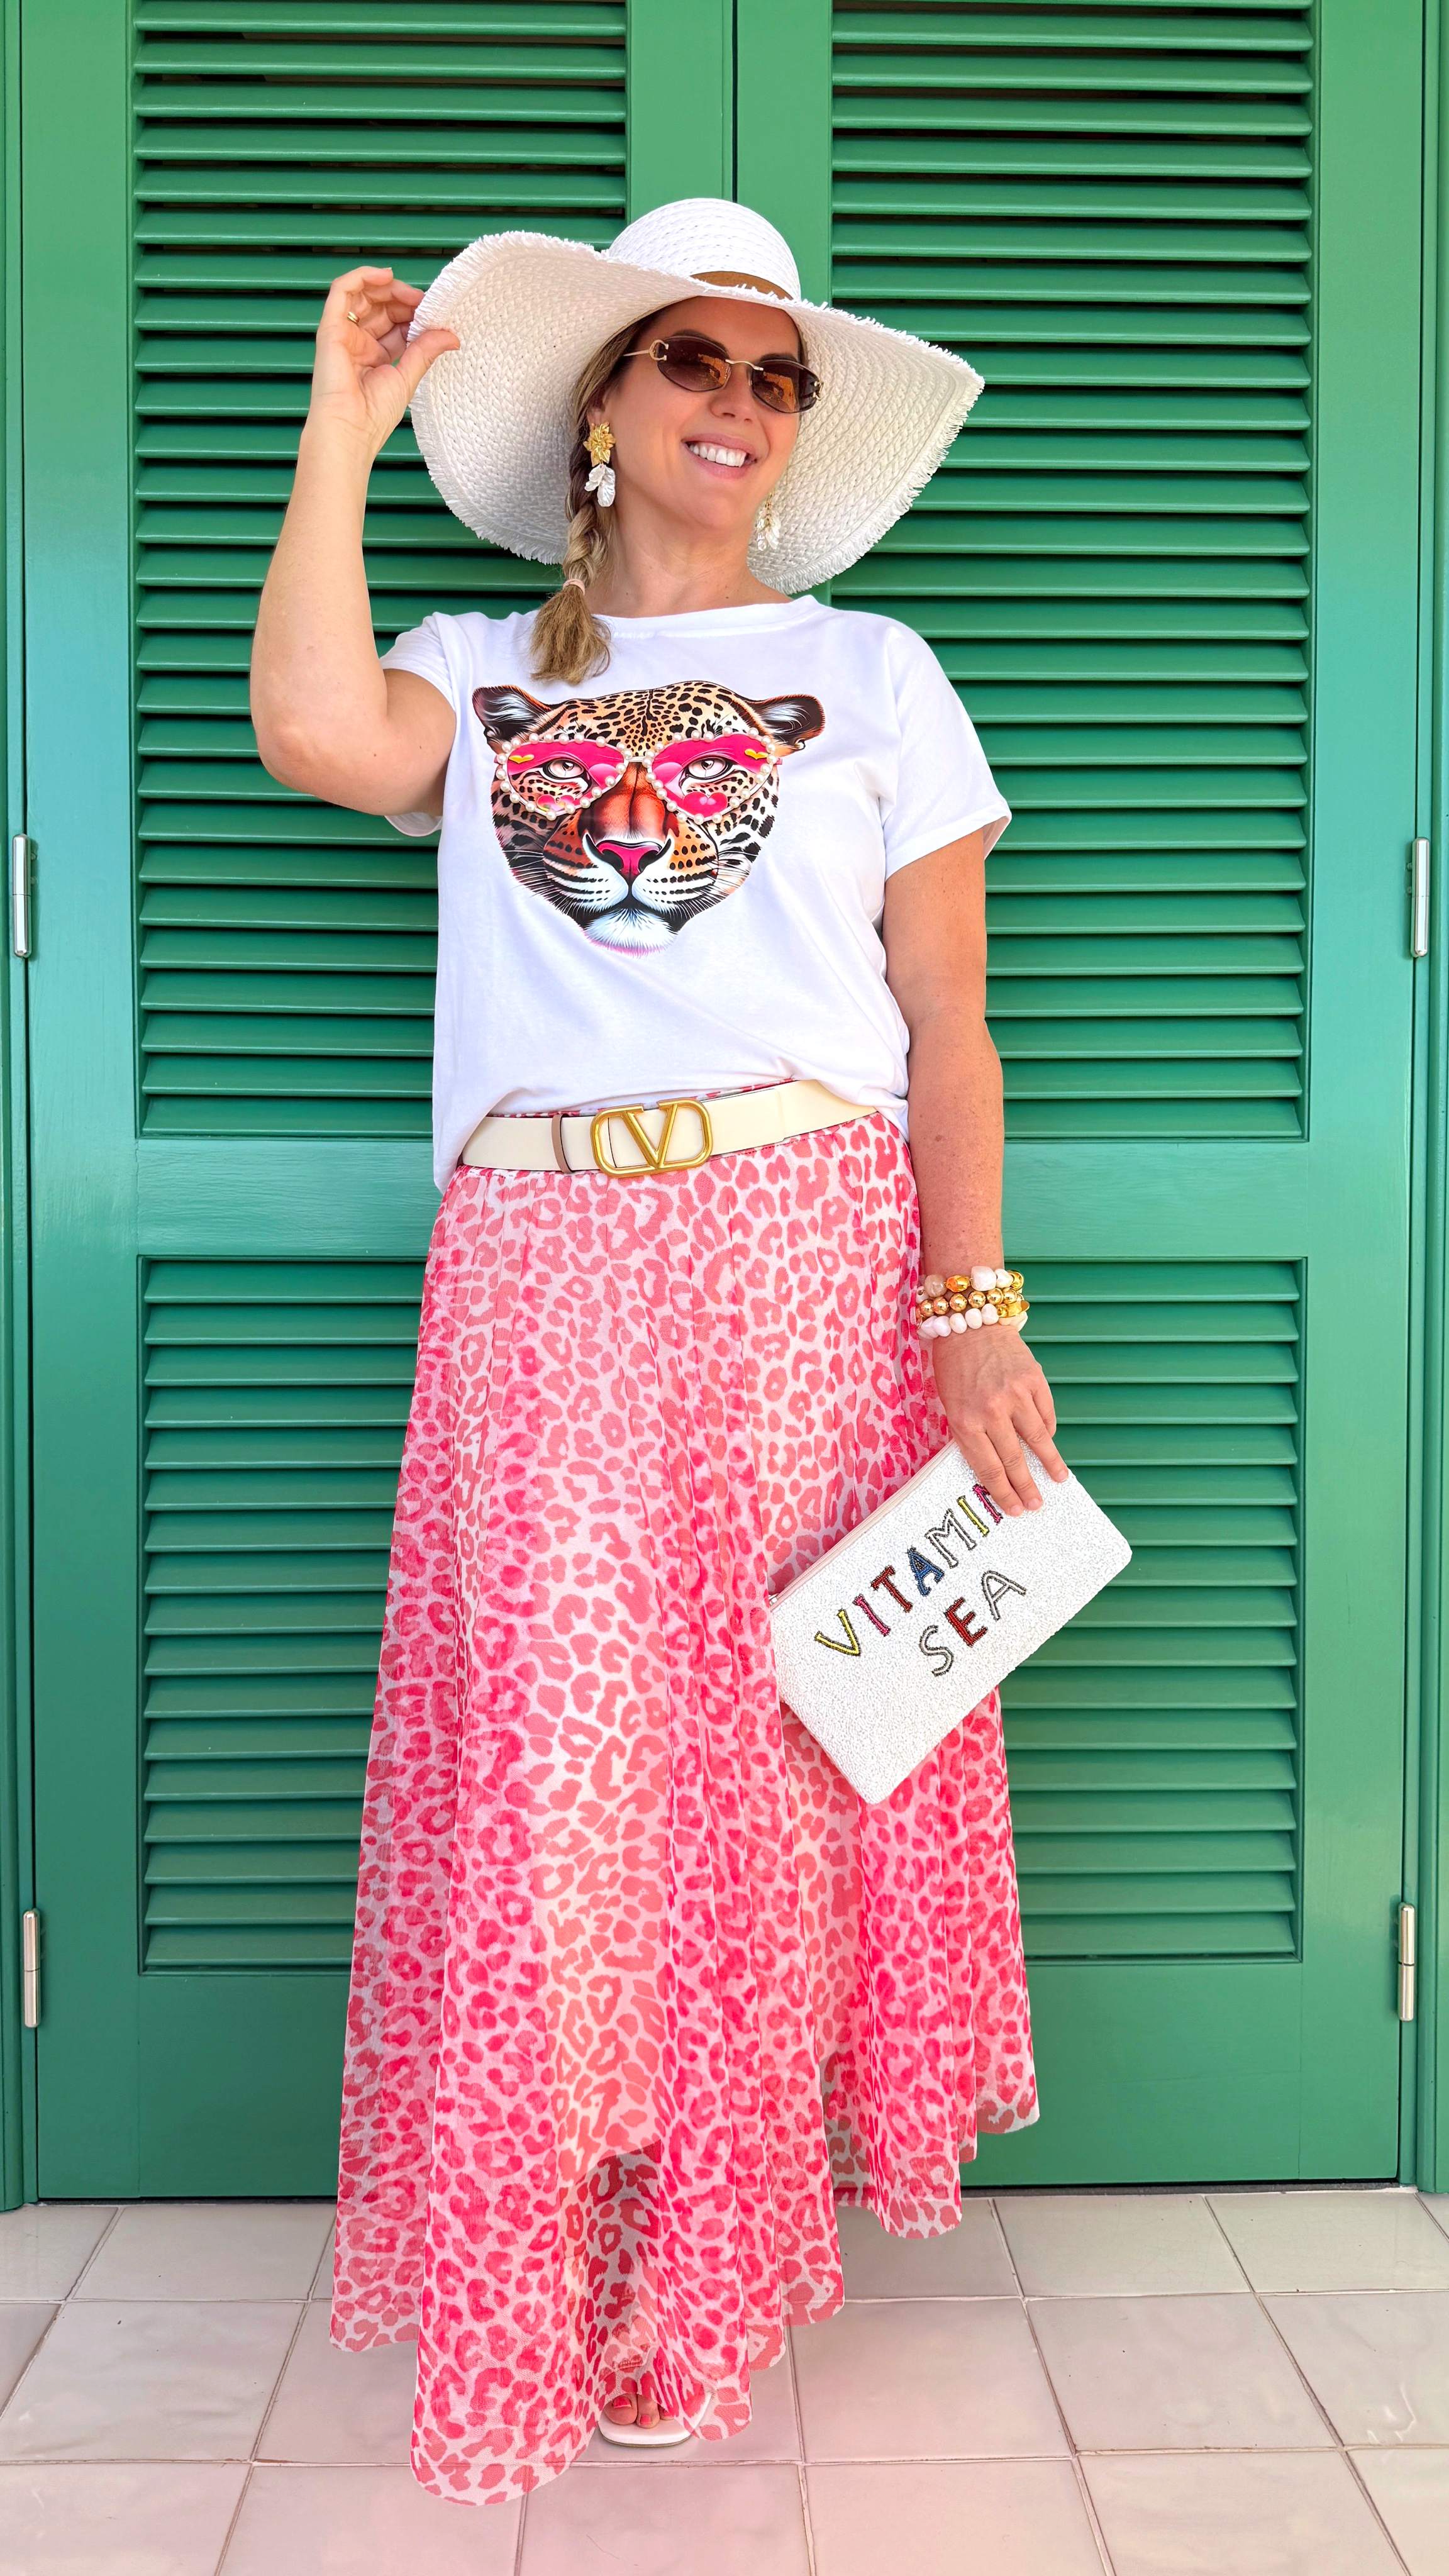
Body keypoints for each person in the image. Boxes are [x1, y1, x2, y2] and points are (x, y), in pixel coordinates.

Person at [250, 196, 1063, 2508]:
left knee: (767, 1778)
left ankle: (705, 2272)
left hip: (805, 1244)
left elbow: (948, 1020)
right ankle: (551, 2248)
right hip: (542, 1259)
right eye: (691, 359)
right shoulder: (479, 668)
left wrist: (973, 1309)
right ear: (603, 403)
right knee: (558, 1770)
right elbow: (312, 729)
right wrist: (342, 431)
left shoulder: (876, 672)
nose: (739, 403)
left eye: (776, 375)